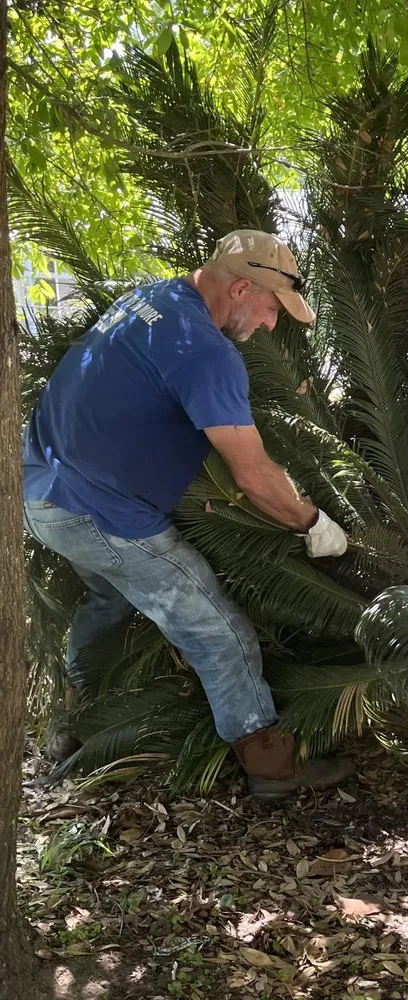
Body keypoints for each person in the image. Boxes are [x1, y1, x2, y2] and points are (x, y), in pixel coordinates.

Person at [22, 230, 354, 799]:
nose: (271, 325)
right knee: (217, 629)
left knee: (106, 597)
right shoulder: (207, 352)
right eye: (273, 309)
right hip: (101, 514)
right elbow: (253, 476)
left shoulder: (147, 300)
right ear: (243, 287)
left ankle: (78, 722)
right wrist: (312, 524)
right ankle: (272, 766)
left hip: (40, 494)